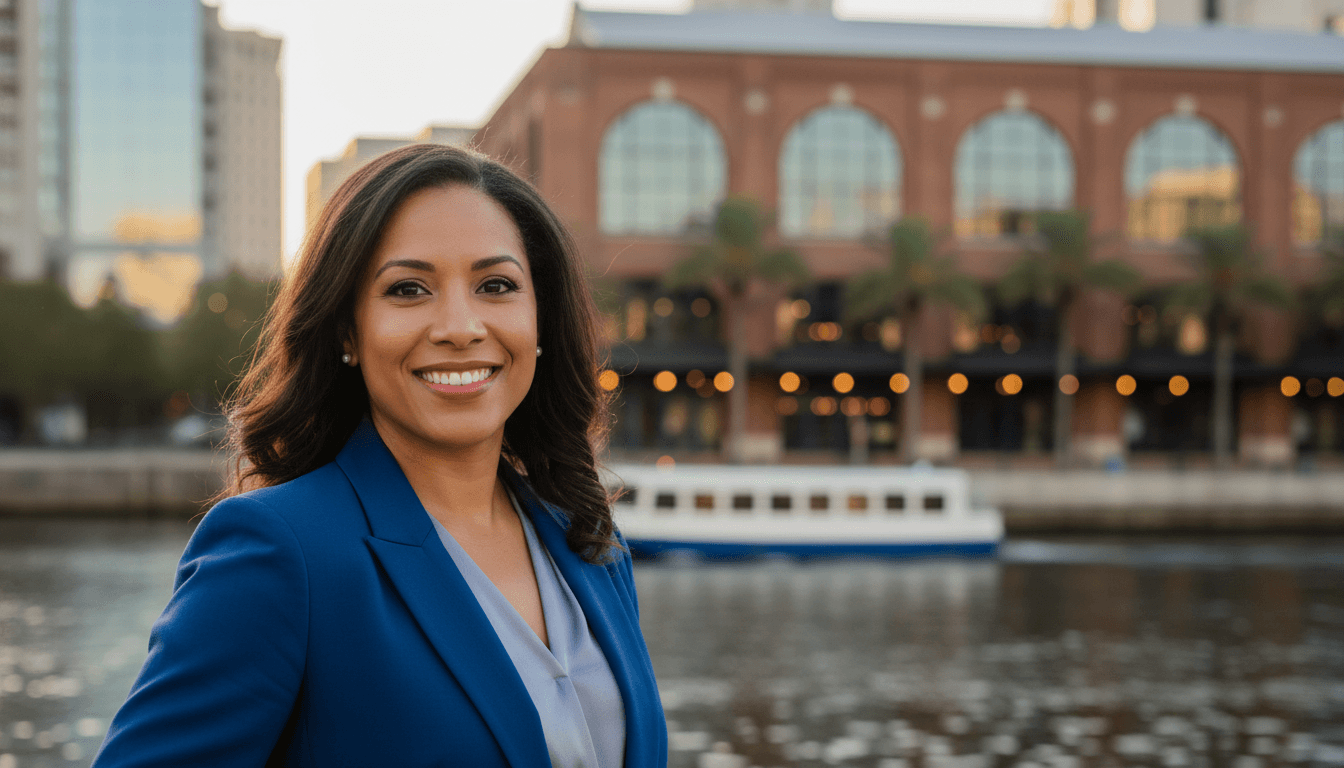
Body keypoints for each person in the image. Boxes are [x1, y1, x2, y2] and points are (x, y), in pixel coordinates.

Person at [92, 144, 667, 767]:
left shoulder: (589, 543)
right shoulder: (282, 553)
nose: (459, 326)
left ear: (541, 320)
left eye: (496, 285)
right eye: (409, 289)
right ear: (347, 331)